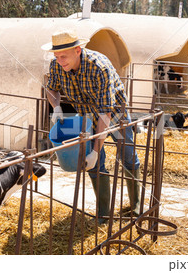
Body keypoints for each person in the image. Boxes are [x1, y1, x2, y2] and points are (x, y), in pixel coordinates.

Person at [41, 29, 141, 222]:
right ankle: (104, 212)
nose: (60, 61)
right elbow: (51, 88)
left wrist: (96, 149)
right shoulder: (56, 65)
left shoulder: (99, 67)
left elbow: (106, 112)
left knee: (126, 152)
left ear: (78, 50)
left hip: (113, 111)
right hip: (85, 113)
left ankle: (136, 204)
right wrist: (56, 107)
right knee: (93, 162)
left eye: (64, 56)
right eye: (56, 56)